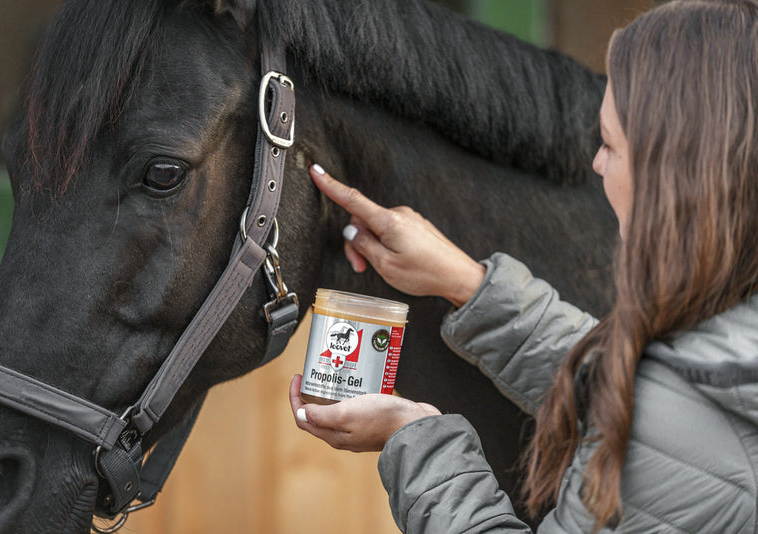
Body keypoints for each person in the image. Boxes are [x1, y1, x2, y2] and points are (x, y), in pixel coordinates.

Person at [289, 1, 758, 532]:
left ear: (672, 173)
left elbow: (668, 425)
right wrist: (466, 283)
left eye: (608, 143)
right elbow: (663, 395)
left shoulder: (667, 429)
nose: (597, 164)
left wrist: (416, 437)